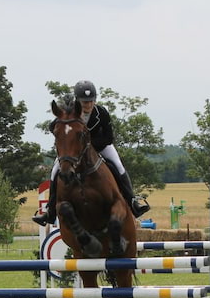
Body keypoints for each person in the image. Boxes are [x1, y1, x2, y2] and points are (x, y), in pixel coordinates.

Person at [33, 80, 150, 226]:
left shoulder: (101, 113)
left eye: (90, 101)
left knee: (118, 166)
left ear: (94, 100)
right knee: (55, 172)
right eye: (84, 102)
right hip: (74, 150)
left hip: (100, 146)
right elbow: (53, 127)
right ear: (77, 101)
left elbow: (108, 137)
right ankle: (50, 212)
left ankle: (133, 202)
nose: (88, 105)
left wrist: (90, 146)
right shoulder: (70, 114)